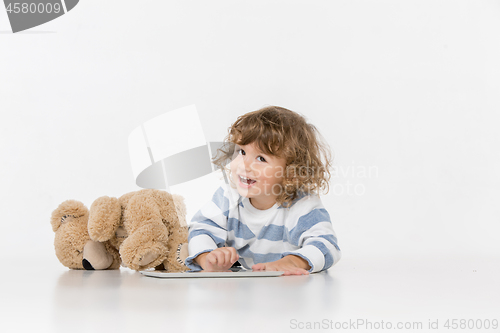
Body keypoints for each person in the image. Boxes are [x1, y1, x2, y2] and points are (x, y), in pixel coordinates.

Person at [184, 106, 341, 275]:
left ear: (292, 172)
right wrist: (207, 257)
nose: (244, 164)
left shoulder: (302, 204)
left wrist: (293, 261)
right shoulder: (228, 196)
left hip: (286, 293)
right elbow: (201, 229)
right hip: (240, 292)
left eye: (261, 158)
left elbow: (327, 245)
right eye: (242, 151)